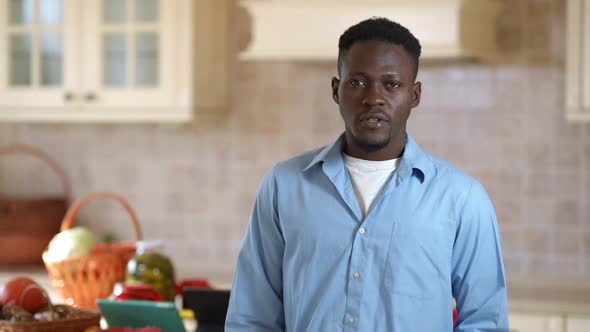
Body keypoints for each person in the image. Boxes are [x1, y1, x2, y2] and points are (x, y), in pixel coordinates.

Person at [225, 17, 509, 331]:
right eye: (358, 82)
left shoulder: (461, 198)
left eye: (391, 84)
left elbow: (485, 322)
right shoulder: (284, 186)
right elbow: (252, 317)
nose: (373, 98)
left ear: (414, 95)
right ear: (336, 89)